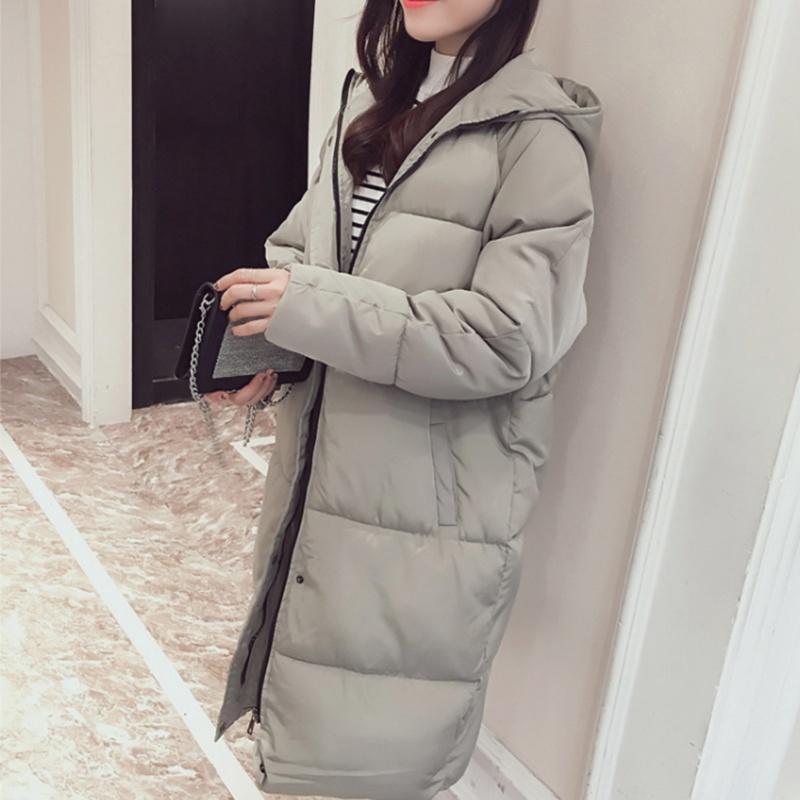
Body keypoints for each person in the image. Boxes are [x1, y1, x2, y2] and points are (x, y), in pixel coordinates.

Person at [206, 1, 603, 799]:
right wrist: (274, 347)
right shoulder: (368, 102)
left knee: (372, 747)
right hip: (319, 476)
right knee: (304, 700)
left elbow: (508, 338)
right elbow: (303, 252)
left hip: (420, 513)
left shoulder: (537, 139)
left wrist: (308, 307)